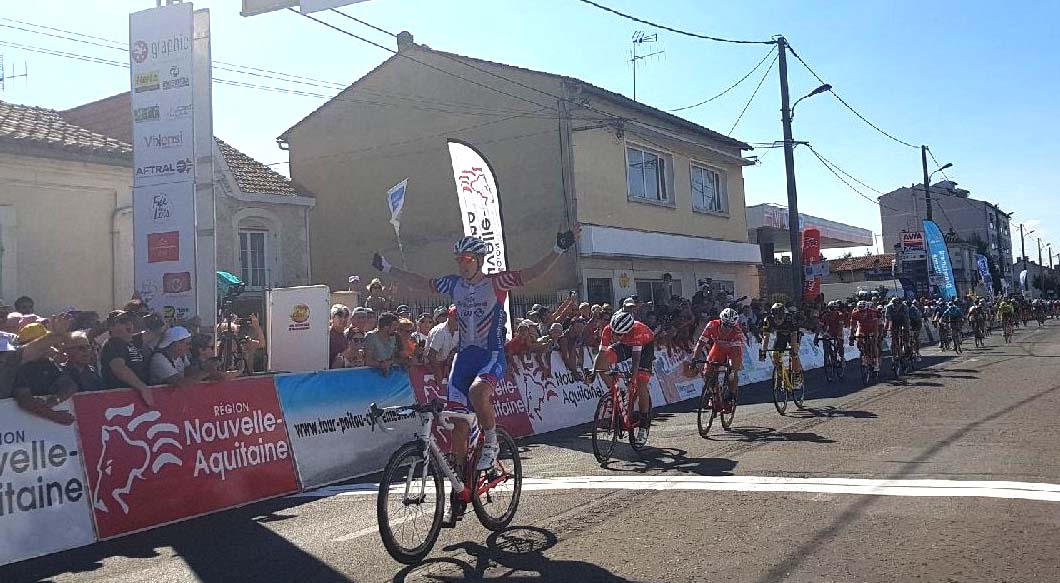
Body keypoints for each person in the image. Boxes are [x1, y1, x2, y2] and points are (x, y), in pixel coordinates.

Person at [374, 226, 578, 524]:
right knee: (457, 423)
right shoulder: (454, 284)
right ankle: (461, 491)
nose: (462, 262)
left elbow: (532, 273)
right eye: (458, 257)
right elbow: (420, 282)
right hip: (464, 359)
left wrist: (559, 250)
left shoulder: (497, 282)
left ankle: (492, 443)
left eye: (467, 257)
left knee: (478, 393)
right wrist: (388, 268)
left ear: (479, 259)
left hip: (491, 355)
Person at [593, 310, 655, 446]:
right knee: (602, 364)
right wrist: (594, 372)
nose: (614, 336)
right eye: (614, 332)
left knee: (640, 382)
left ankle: (644, 425)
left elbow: (636, 360)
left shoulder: (637, 330)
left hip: (645, 347)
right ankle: (618, 393)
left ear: (627, 331)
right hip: (625, 345)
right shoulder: (608, 330)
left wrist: (633, 379)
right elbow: (601, 353)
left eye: (619, 334)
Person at [11, 323, 78, 425]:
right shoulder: (18, 366)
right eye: (45, 342)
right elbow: (25, 400)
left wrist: (54, 401)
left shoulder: (47, 363)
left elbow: (70, 385)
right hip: (18, 425)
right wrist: (55, 416)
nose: (49, 346)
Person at [100, 310, 154, 405]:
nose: (128, 323)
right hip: (121, 399)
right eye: (122, 321)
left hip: (138, 397)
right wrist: (142, 387)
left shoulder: (132, 342)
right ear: (111, 327)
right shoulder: (113, 343)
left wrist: (155, 318)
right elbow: (118, 368)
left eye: (129, 321)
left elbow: (157, 332)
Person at [150, 326, 225, 386]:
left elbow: (189, 371)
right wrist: (207, 371)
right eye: (187, 344)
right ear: (175, 344)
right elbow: (181, 383)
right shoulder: (159, 359)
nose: (189, 347)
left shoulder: (181, 356)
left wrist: (205, 367)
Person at [759, 303, 803, 376]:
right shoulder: (768, 320)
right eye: (775, 318)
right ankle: (780, 372)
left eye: (779, 318)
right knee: (775, 354)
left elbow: (794, 335)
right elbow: (766, 337)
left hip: (793, 334)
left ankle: (797, 374)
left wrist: (793, 348)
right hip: (781, 335)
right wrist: (763, 351)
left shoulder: (790, 318)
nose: (777, 321)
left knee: (794, 353)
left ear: (784, 315)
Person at [426, 306, 459, 384]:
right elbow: (430, 355)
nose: (459, 322)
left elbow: (455, 348)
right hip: (430, 364)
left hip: (445, 362)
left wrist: (447, 364)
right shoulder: (440, 332)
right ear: (449, 317)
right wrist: (438, 373)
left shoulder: (460, 330)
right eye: (456, 319)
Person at [849, 300, 882, 373]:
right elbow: (853, 326)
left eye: (863, 311)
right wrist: (851, 336)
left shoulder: (872, 312)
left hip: (872, 327)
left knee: (873, 344)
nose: (861, 313)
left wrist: (875, 336)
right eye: (860, 310)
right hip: (862, 328)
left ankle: (876, 362)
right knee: (859, 342)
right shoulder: (855, 313)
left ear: (866, 309)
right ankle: (864, 355)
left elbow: (876, 325)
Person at [882, 297, 910, 364]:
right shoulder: (888, 307)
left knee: (904, 331)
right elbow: (887, 320)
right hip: (893, 321)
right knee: (893, 336)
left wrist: (906, 328)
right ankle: (894, 350)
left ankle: (906, 344)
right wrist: (885, 330)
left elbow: (906, 319)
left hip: (902, 320)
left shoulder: (904, 306)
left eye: (897, 304)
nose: (896, 306)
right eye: (894, 304)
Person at [329, 304, 350, 369]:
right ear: (332, 318)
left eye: (346, 316)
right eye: (340, 316)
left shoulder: (346, 335)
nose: (343, 319)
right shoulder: (327, 335)